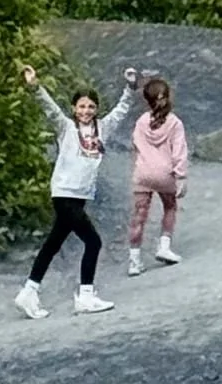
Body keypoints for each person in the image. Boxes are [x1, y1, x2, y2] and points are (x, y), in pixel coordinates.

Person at [17, 64, 136, 317]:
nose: (86, 111)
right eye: (81, 106)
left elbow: (121, 111)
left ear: (96, 109)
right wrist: (35, 86)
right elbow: (50, 108)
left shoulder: (103, 128)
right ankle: (85, 295)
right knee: (93, 241)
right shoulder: (66, 128)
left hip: (81, 196)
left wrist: (130, 88)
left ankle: (29, 291)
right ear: (74, 108)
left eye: (91, 106)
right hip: (64, 194)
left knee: (53, 243)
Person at [124, 73, 191, 270]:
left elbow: (135, 143)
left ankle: (134, 261)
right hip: (165, 173)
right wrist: (181, 176)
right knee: (170, 207)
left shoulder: (142, 121)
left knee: (139, 215)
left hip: (143, 172)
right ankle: (164, 246)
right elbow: (179, 150)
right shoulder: (174, 123)